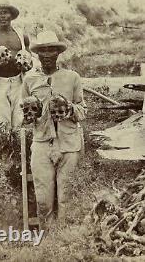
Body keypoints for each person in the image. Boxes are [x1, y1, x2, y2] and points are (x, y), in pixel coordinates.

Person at [22, 31, 86, 229]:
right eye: (43, 51)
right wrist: (29, 115)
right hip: (42, 143)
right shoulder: (29, 80)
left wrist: (68, 108)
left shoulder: (72, 78)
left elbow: (82, 111)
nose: (47, 54)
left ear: (58, 53)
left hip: (68, 144)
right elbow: (21, 114)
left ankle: (65, 241)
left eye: (52, 50)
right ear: (38, 55)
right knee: (43, 199)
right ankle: (47, 238)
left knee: (66, 197)